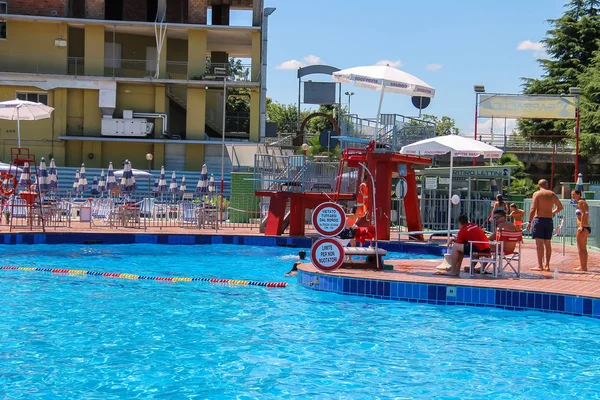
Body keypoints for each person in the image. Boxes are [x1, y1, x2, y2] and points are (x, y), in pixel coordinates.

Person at [527, 179, 564, 272]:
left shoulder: (537, 194)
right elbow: (560, 207)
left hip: (539, 219)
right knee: (547, 243)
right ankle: (547, 265)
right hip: (548, 220)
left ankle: (540, 265)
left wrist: (529, 221)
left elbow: (533, 208)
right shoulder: (552, 194)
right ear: (546, 185)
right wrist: (552, 212)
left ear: (538, 185)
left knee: (539, 244)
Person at [572, 189, 591, 272]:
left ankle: (583, 266)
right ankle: (583, 265)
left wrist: (582, 226)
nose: (572, 196)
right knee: (583, 248)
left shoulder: (581, 202)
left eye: (574, 194)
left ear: (579, 194)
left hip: (583, 228)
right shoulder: (582, 202)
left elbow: (584, 213)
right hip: (585, 227)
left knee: (581, 248)